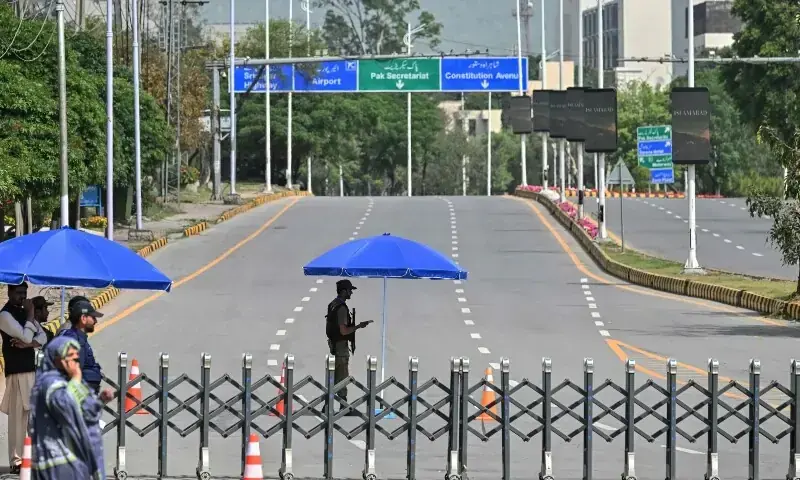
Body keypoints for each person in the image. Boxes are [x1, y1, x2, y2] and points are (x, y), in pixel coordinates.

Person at [29, 336, 113, 480]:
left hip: (74, 460)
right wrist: (75, 380)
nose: (75, 364)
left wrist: (99, 401)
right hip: (56, 463)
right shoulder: (49, 384)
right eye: (70, 358)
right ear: (57, 359)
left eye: (76, 359)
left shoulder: (65, 382)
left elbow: (85, 411)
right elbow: (66, 407)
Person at [0, 283, 48, 473]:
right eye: (19, 293)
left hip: (30, 370)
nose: (22, 297)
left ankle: (31, 456)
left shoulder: (21, 313)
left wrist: (28, 345)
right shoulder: (5, 316)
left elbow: (41, 337)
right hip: (16, 372)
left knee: (31, 417)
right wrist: (30, 317)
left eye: (25, 293)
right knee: (18, 419)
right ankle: (17, 461)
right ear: (9, 292)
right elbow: (28, 336)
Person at [325, 280, 371, 412]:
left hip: (334, 344)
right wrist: (358, 327)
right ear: (344, 291)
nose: (351, 292)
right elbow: (343, 330)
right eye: (349, 290)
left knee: (335, 375)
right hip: (340, 346)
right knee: (342, 375)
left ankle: (329, 404)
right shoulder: (341, 308)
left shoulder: (333, 304)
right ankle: (342, 405)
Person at [59, 299, 103, 394]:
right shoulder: (74, 340)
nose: (95, 321)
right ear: (83, 318)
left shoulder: (79, 338)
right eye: (93, 318)